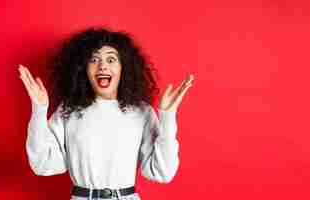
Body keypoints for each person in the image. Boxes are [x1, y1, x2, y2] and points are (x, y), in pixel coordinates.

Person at [18, 27, 194, 200]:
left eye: (111, 60)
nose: (102, 66)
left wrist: (168, 117)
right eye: (94, 60)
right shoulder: (68, 111)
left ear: (123, 68)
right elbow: (43, 164)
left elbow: (161, 172)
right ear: (83, 69)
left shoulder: (141, 112)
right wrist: (39, 110)